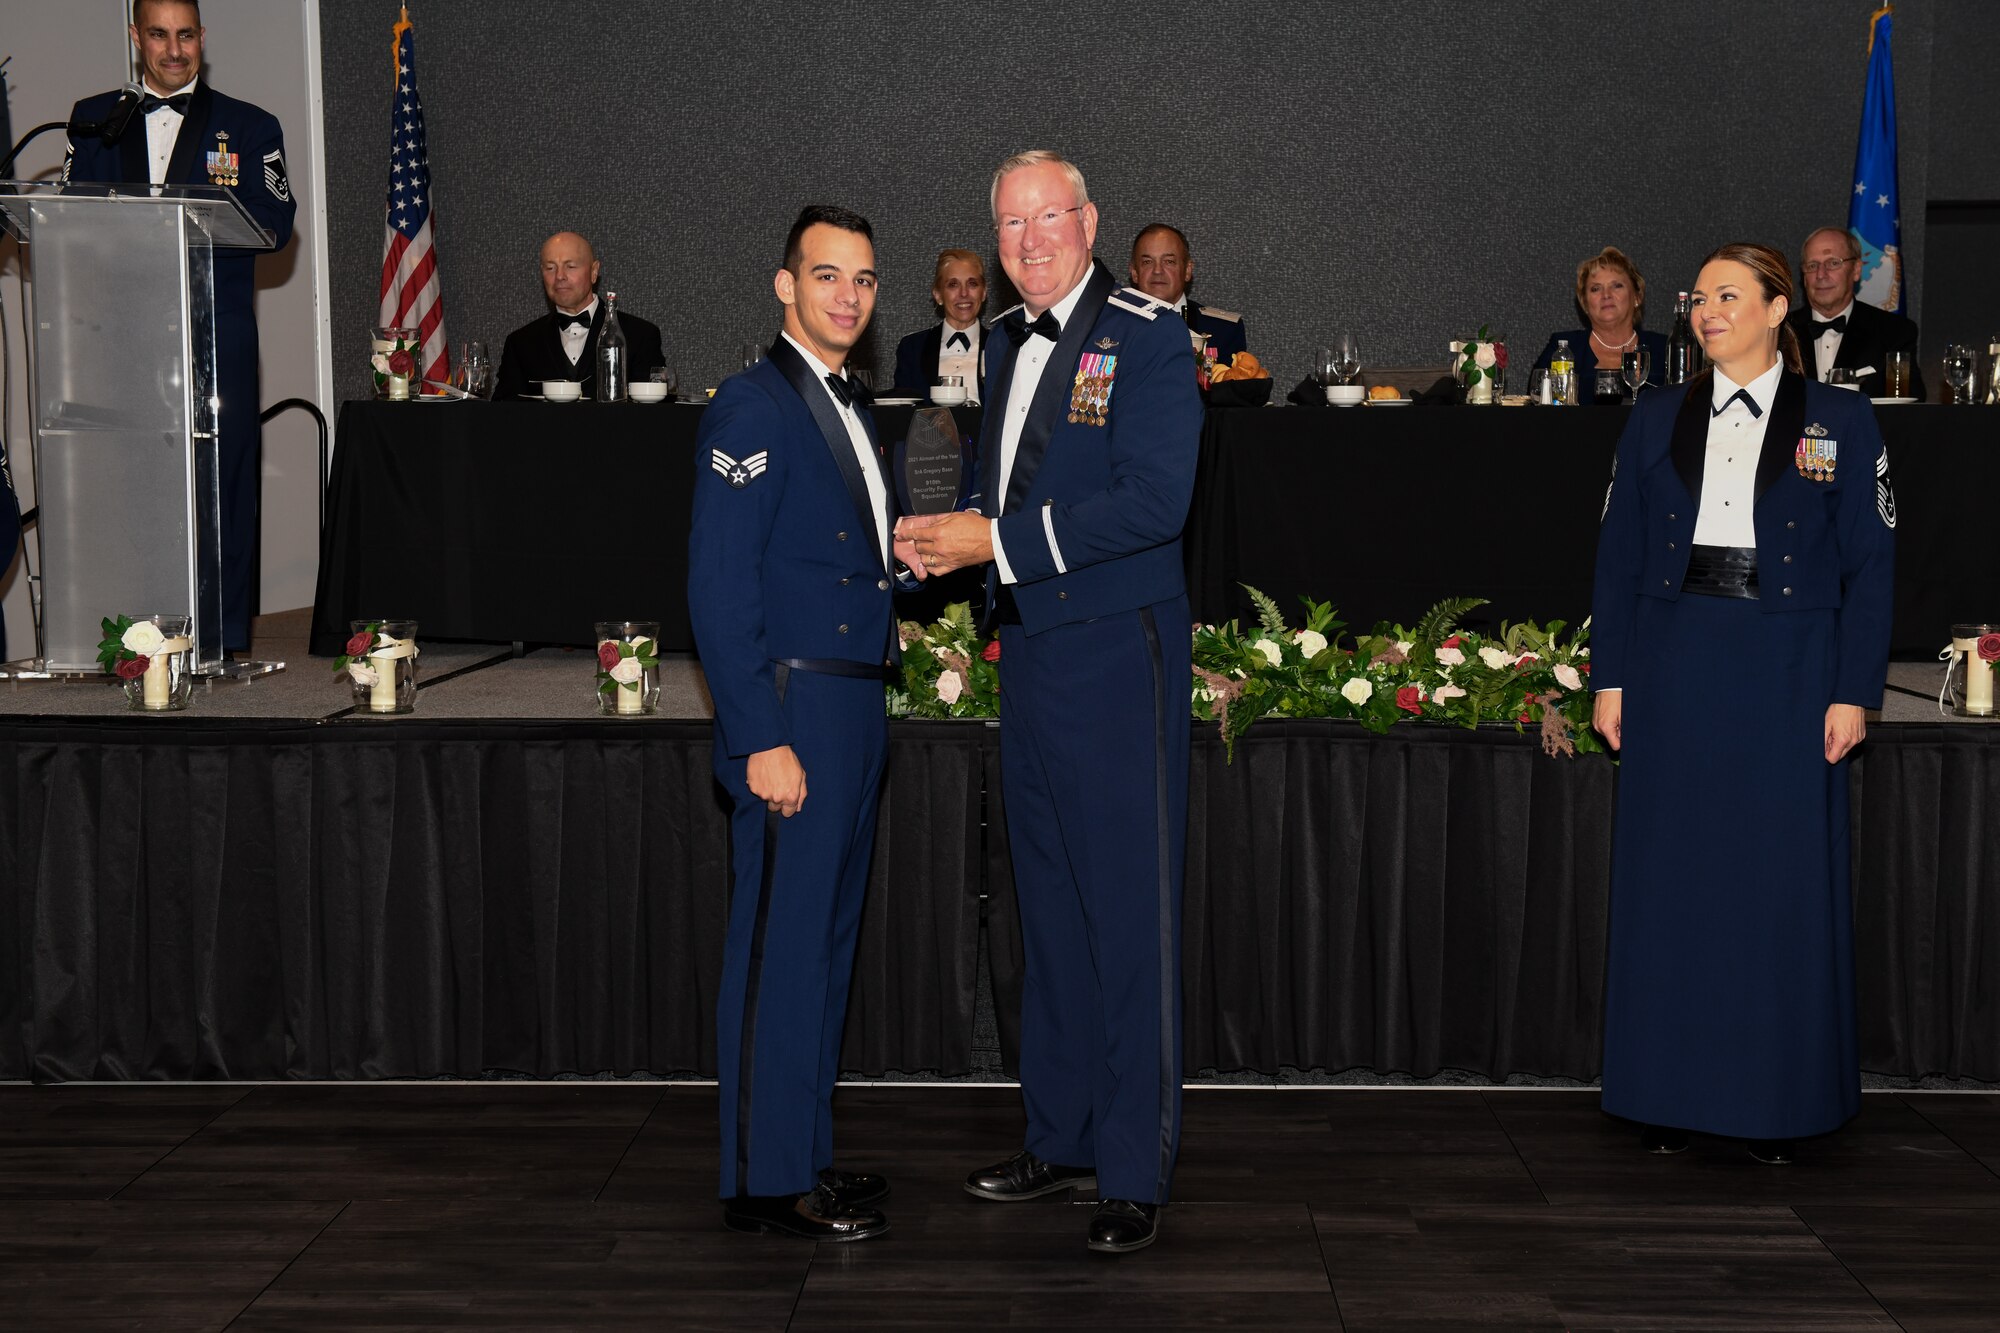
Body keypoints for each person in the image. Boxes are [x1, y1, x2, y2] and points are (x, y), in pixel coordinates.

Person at [901, 151, 1203, 1254]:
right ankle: (1062, 1130)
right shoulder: (999, 343)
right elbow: (1011, 491)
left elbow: (1153, 503)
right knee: (1052, 911)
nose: (1028, 241)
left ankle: (1132, 1166)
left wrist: (995, 541)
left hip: (1118, 654)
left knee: (1127, 916)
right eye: (1009, 224)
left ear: (1087, 220)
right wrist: (943, 541)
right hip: (1029, 654)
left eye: (1047, 218)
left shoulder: (1152, 335)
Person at [1590, 241, 1894, 1165]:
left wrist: (1854, 691)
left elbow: (1872, 564)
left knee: (1774, 885)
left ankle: (1778, 1102)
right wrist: (1612, 676)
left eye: (1728, 295)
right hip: (1677, 655)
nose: (1706, 310)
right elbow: (1618, 554)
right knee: (1671, 878)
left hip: (1789, 662)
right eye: (1698, 297)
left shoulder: (1841, 418)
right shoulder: (1652, 417)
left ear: (1775, 310)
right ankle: (1665, 1092)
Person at [687, 204, 925, 1243]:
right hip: (791, 711)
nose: (846, 295)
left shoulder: (845, 402)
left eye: (864, 280)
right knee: (779, 951)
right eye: (825, 275)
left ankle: (805, 1155)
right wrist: (756, 734)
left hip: (850, 700)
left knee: (822, 945)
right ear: (784, 285)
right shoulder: (751, 406)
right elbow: (715, 585)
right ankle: (761, 1176)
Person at [63, 0, 295, 652]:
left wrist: (184, 224)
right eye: (159, 35)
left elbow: (275, 220)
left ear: (201, 37)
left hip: (218, 339)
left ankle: (220, 643)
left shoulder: (250, 126)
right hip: (127, 339)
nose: (173, 49)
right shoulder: (94, 118)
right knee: (135, 488)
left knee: (222, 486)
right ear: (136, 37)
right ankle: (139, 640)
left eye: (185, 35)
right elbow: (73, 217)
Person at [492, 231, 664, 399]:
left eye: (570, 266)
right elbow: (504, 415)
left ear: (594, 271)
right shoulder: (521, 343)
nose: (559, 276)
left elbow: (652, 417)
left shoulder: (640, 335)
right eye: (550, 268)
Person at [1788, 226, 1925, 400]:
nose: (1821, 274)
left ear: (1856, 270)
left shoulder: (1894, 332)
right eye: (1812, 265)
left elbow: (1911, 401)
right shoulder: (1780, 332)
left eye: (1833, 263)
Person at [1532, 246, 1670, 403]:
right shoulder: (1564, 348)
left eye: (1616, 285)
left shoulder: (1664, 348)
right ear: (1585, 303)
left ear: (1637, 297)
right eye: (1595, 289)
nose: (1606, 295)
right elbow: (1537, 407)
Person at [1128, 223, 1247, 363]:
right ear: (1134, 273)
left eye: (1169, 261)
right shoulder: (1112, 326)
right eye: (1147, 262)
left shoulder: (1224, 330)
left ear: (1187, 270)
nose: (1157, 270)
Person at [892, 248, 989, 400]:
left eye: (972, 284)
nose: (964, 293)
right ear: (938, 295)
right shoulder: (912, 348)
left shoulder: (1002, 347)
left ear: (983, 292)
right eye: (953, 285)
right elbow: (903, 413)